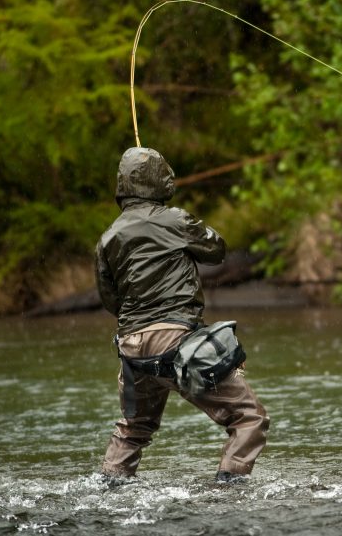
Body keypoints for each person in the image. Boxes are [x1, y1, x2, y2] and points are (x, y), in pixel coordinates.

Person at [95, 146, 269, 484]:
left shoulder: (107, 238)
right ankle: (228, 490)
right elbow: (216, 250)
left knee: (134, 429)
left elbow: (109, 299)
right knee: (249, 418)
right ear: (161, 181)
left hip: (131, 349)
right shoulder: (175, 220)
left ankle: (108, 489)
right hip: (175, 342)